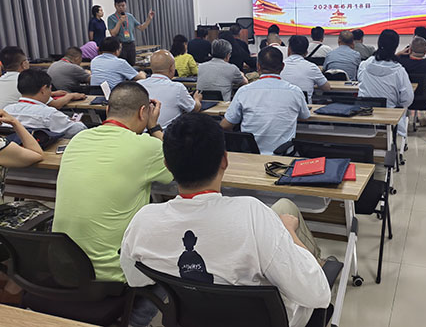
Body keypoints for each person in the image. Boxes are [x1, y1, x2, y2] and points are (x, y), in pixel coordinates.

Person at [120, 113, 331, 327]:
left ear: (167, 164)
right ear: (224, 160)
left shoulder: (143, 221)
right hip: (271, 320)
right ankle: (318, 261)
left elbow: (136, 279)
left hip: (191, 318)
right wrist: (290, 233)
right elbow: (318, 295)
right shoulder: (253, 215)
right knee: (286, 213)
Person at [52, 82, 172, 280]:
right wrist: (154, 127)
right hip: (114, 274)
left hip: (63, 268)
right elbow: (176, 164)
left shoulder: (78, 139)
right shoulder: (147, 146)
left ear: (107, 110)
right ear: (143, 112)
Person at [221, 47, 310, 154]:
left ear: (258, 66)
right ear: (283, 66)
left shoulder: (244, 91)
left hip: (250, 155)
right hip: (283, 155)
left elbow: (225, 125)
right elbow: (305, 117)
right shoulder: (295, 91)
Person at [358, 29, 414, 136]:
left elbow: (361, 83)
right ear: (396, 46)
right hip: (390, 120)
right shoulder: (399, 71)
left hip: (364, 117)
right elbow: (408, 99)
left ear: (379, 43)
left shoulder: (364, 65)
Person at [4, 70, 87, 138]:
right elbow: (79, 130)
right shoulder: (48, 113)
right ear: (43, 90)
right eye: (50, 89)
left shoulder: (6, 110)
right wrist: (77, 122)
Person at [0, 46, 85, 110]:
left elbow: (19, 94)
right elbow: (55, 104)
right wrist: (71, 96)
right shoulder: (28, 80)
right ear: (24, 64)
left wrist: (52, 94)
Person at [139, 50, 202, 127]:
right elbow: (194, 109)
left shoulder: (138, 85)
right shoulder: (178, 88)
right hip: (167, 133)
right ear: (172, 68)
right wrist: (197, 99)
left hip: (142, 132)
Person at [397, 36, 426, 120]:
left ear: (409, 50)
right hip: (423, 100)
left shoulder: (401, 63)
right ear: (425, 52)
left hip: (402, 99)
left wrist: (399, 54)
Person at [107, 0, 155, 66]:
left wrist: (149, 19)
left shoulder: (130, 16)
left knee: (132, 64)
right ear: (115, 6)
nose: (121, 8)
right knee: (122, 66)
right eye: (119, 6)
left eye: (123, 5)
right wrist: (119, 22)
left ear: (126, 5)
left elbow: (141, 28)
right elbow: (113, 34)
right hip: (120, 45)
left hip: (131, 44)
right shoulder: (111, 18)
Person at [281, 35, 330, 103]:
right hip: (304, 107)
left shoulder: (278, 67)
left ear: (289, 50)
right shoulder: (312, 67)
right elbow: (327, 88)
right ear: (306, 52)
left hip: (283, 106)